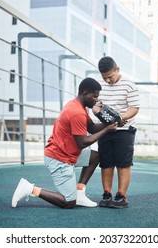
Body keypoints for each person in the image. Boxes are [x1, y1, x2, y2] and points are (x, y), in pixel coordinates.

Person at [12, 77, 117, 209]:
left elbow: (91, 128)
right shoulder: (76, 112)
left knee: (95, 157)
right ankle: (30, 189)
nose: (97, 100)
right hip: (59, 158)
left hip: (67, 153)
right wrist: (107, 130)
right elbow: (83, 143)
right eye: (95, 96)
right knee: (68, 203)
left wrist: (109, 122)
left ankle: (79, 192)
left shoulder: (79, 106)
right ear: (85, 93)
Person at [95, 56, 139, 208]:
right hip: (105, 129)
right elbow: (96, 106)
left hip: (125, 129)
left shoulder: (129, 84)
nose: (107, 80)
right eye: (104, 77)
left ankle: (121, 196)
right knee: (106, 163)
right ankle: (107, 194)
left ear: (117, 69)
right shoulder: (99, 85)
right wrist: (97, 111)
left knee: (123, 163)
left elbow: (134, 107)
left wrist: (122, 117)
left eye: (110, 77)